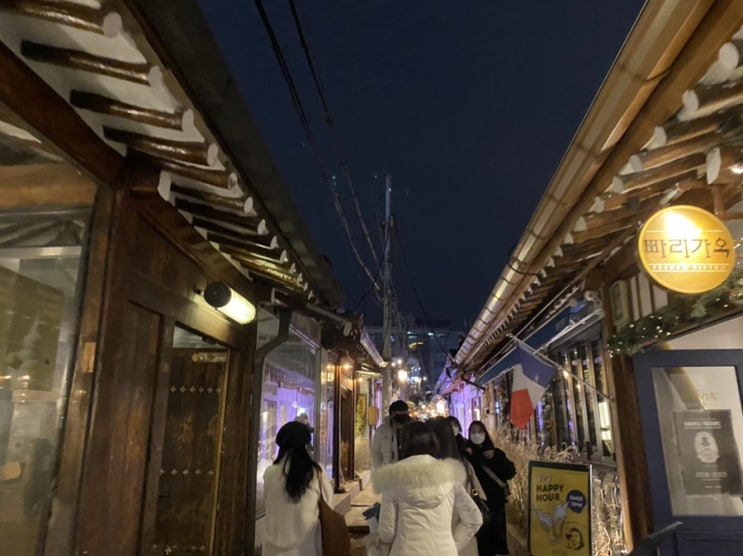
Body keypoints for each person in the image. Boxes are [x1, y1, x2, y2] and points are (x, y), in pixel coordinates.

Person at [372, 421, 483, 556]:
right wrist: (452, 544)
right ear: (433, 444)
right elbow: (474, 519)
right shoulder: (450, 476)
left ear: (403, 445)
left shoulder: (393, 479)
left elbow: (387, 533)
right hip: (445, 551)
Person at [263, 421, 333, 556]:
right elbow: (329, 506)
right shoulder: (315, 473)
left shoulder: (269, 473)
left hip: (272, 548)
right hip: (306, 547)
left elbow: (268, 504)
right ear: (305, 446)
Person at [427, 417, 484, 556]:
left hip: (437, 545)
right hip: (463, 542)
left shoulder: (425, 473)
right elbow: (479, 497)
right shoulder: (464, 465)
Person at [465, 421, 516, 556]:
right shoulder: (466, 455)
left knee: (497, 538)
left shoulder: (496, 453)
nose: (477, 435)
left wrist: (496, 457)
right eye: (473, 432)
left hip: (495, 503)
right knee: (481, 541)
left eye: (480, 431)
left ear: (485, 434)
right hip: (476, 502)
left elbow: (510, 473)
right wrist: (467, 455)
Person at [372, 400, 411, 468]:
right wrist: (380, 471)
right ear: (392, 414)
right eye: (400, 413)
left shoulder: (412, 430)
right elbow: (376, 455)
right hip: (389, 471)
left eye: (404, 413)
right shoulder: (382, 431)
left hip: (409, 470)